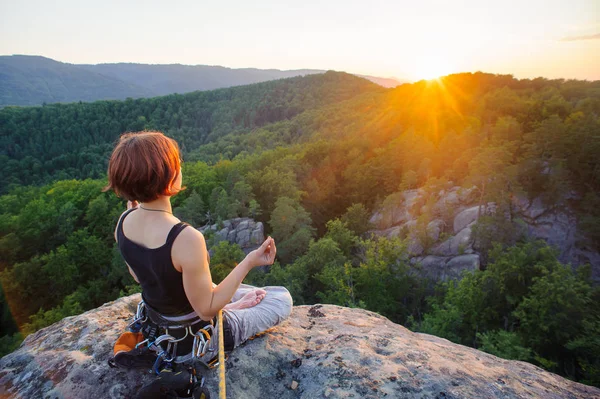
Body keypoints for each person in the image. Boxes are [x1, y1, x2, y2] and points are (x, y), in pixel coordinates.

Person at [103, 131, 293, 366]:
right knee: (279, 297)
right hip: (192, 342)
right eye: (177, 163)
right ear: (169, 176)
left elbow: (139, 275)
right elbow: (206, 310)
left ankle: (233, 306)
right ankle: (233, 310)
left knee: (218, 287)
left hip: (157, 328)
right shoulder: (184, 237)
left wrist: (133, 209)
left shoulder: (123, 222)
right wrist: (250, 261)